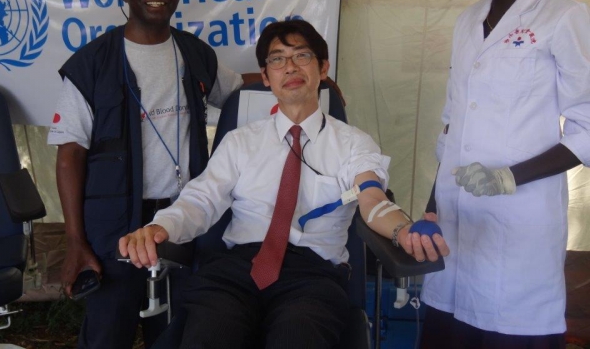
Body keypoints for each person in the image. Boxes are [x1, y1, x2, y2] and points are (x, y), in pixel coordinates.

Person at [119, 19, 450, 348]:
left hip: (313, 277)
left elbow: (372, 198)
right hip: (235, 272)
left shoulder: (353, 143)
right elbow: (201, 200)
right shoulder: (240, 142)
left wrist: (401, 230)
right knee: (209, 336)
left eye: (302, 56)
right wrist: (161, 227)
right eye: (277, 59)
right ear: (266, 77)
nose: (289, 67)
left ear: (323, 68)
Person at [48, 0, 262, 349]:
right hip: (115, 224)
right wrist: (75, 241)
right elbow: (69, 155)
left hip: (182, 218)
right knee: (109, 330)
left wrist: (293, 73)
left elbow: (239, 91)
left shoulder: (195, 53)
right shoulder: (91, 64)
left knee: (179, 329)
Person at [420, 0, 590, 349]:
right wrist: (433, 206)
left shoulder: (564, 18)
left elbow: (588, 128)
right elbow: (453, 124)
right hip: (457, 218)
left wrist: (508, 178)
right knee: (448, 325)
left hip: (521, 223)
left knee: (509, 330)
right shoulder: (468, 21)